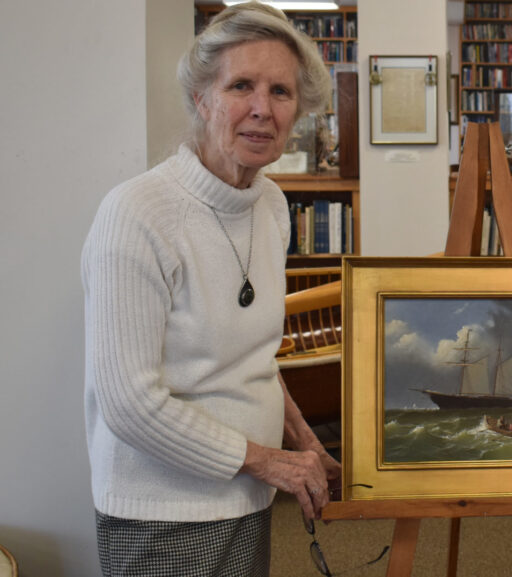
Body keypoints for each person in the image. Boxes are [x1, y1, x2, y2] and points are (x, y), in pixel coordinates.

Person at [81, 3, 339, 575]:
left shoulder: (271, 205)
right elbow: (129, 405)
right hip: (163, 514)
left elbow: (256, 355)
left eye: (280, 92)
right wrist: (269, 463)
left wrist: (303, 441)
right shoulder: (138, 213)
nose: (260, 109)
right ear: (201, 97)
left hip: (246, 497)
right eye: (240, 85)